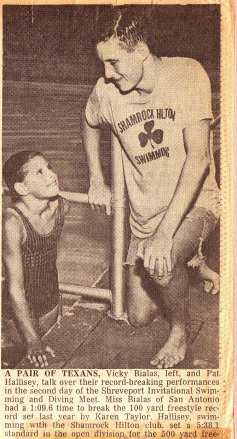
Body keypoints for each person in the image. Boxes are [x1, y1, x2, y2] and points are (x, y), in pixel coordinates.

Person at [83, 7, 220, 368]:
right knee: (138, 317)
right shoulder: (106, 90)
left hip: (194, 203)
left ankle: (179, 331)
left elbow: (199, 160)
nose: (107, 74)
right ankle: (189, 261)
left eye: (114, 63)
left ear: (141, 50)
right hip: (145, 214)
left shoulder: (187, 74)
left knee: (161, 263)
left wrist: (164, 235)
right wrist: (96, 177)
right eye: (103, 64)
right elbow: (89, 121)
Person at [2, 150, 69, 368]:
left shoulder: (62, 207)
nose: (51, 174)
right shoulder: (13, 223)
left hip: (51, 305)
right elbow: (15, 290)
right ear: (22, 188)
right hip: (16, 318)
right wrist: (31, 339)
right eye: (40, 172)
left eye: (49, 167)